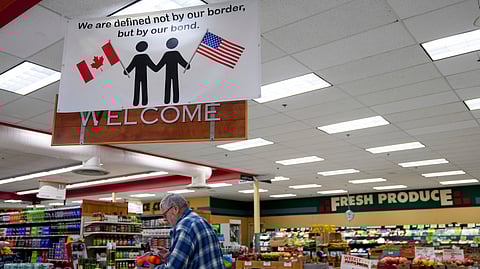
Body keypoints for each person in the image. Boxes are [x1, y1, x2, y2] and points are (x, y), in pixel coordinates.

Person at [156, 193, 224, 269]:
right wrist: (171, 254)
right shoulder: (200, 219)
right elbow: (197, 255)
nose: (165, 219)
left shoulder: (184, 226)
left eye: (165, 215)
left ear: (175, 209)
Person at [156, 38, 190, 104]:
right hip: (174, 72)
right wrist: (187, 65)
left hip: (168, 73)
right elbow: (183, 63)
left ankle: (167, 100)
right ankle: (175, 100)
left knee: (167, 85)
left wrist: (155, 68)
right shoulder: (176, 53)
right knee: (175, 85)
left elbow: (159, 65)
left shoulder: (166, 54)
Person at [124, 41, 157, 106]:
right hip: (143, 75)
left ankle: (136, 102)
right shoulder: (145, 56)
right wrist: (156, 68)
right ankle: (144, 102)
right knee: (144, 87)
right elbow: (152, 66)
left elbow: (131, 66)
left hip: (137, 75)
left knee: (137, 88)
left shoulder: (136, 57)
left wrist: (126, 71)